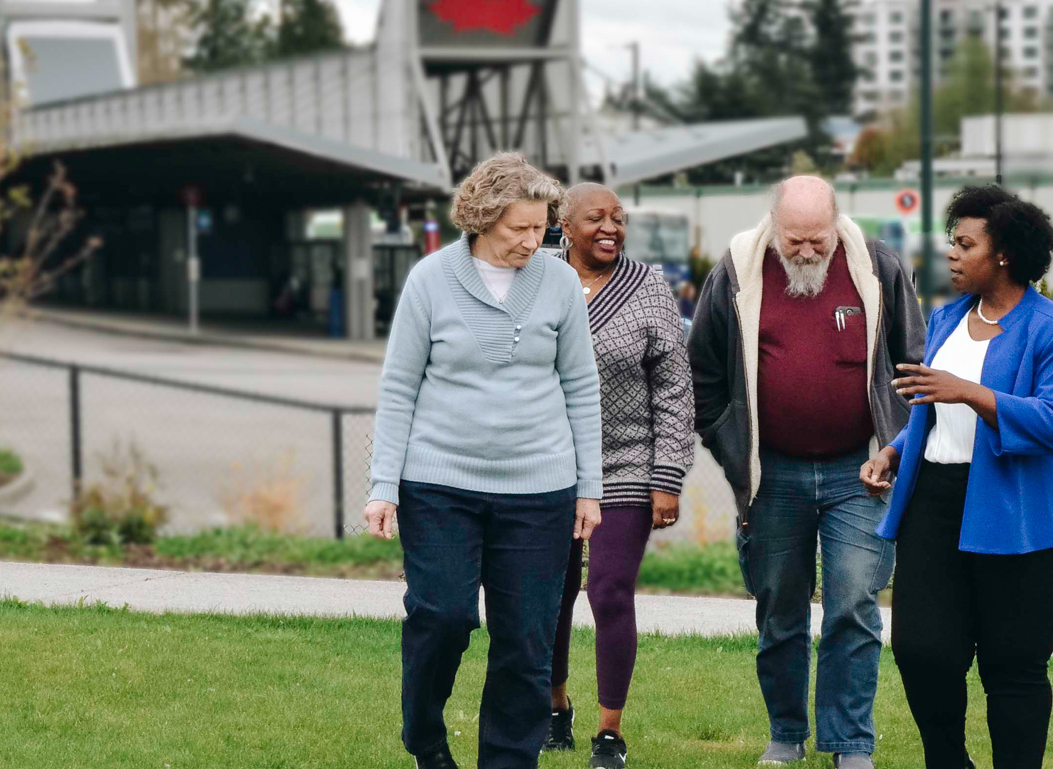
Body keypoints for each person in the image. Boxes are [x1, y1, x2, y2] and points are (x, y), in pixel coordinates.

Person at [362, 152, 605, 769]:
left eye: (541, 227)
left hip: (540, 489)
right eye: (518, 228)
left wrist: (588, 488)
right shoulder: (430, 280)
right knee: (441, 616)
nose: (533, 241)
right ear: (481, 219)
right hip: (439, 485)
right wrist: (382, 485)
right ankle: (424, 736)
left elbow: (580, 384)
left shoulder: (557, 284)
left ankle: (507, 761)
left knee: (526, 640)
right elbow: (398, 387)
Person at [688, 176, 926, 769]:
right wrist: (731, 448)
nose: (806, 251)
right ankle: (786, 735)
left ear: (836, 223)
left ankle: (850, 743)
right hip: (774, 476)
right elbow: (705, 374)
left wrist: (895, 446)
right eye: (794, 240)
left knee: (853, 602)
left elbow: (914, 363)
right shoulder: (737, 270)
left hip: (861, 470)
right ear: (774, 227)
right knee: (780, 610)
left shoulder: (878, 269)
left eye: (817, 239)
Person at [863, 186, 1053, 769]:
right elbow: (932, 413)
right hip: (934, 507)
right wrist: (892, 449)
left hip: (1020, 516)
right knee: (920, 650)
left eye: (965, 244)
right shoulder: (946, 318)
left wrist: (967, 391)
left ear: (1006, 253)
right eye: (951, 243)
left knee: (1012, 667)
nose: (952, 256)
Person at [542, 183, 695, 769]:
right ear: (564, 225)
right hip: (549, 462)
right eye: (595, 218)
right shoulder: (539, 279)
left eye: (618, 218)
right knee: (548, 594)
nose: (610, 227)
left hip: (627, 462)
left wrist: (668, 475)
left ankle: (610, 733)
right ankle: (555, 708)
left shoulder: (650, 288)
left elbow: (676, 389)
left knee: (606, 590)